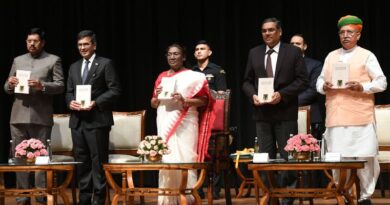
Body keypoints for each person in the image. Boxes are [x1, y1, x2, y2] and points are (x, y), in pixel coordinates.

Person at [316, 15, 387, 205]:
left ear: (358, 35)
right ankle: (345, 194)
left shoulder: (367, 55)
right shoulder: (331, 56)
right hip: (336, 116)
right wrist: (325, 86)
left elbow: (382, 82)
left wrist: (362, 87)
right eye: (342, 32)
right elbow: (319, 81)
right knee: (338, 159)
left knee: (365, 158)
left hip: (360, 116)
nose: (345, 36)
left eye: (350, 32)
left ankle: (365, 197)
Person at [242, 17, 308, 205]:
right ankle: (269, 196)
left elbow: (302, 80)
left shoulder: (293, 52)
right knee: (265, 157)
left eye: (271, 30)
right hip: (262, 114)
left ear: (280, 32)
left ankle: (287, 196)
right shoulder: (254, 53)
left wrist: (282, 94)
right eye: (264, 31)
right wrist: (252, 94)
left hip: (285, 112)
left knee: (288, 157)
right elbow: (246, 81)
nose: (267, 34)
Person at [4, 27, 64, 205]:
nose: (31, 44)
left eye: (35, 41)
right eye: (29, 41)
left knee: (41, 157)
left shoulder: (53, 60)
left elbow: (60, 85)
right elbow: (7, 88)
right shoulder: (18, 60)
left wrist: (42, 85)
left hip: (41, 116)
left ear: (42, 43)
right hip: (18, 116)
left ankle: (40, 195)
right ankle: (23, 195)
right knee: (19, 156)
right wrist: (9, 83)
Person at [151, 43, 214, 205]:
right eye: (169, 54)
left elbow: (204, 100)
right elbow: (153, 104)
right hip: (165, 119)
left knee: (185, 157)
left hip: (186, 121)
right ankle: (167, 199)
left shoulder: (194, 76)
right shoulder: (161, 77)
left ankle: (188, 198)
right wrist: (157, 96)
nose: (172, 57)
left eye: (176, 54)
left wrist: (184, 100)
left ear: (184, 57)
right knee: (167, 157)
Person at [66, 30, 121, 205]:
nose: (83, 48)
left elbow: (115, 90)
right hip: (77, 121)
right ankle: (84, 199)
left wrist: (96, 102)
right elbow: (68, 92)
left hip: (97, 121)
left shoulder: (105, 64)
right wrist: (70, 103)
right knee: (82, 163)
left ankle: (98, 199)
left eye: (86, 44)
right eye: (80, 45)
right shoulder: (74, 67)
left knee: (98, 163)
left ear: (94, 45)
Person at [193, 40, 227, 199]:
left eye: (202, 49)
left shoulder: (217, 70)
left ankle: (215, 188)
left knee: (214, 153)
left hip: (212, 114)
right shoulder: (190, 72)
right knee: (195, 151)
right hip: (194, 115)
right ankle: (197, 187)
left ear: (210, 52)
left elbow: (222, 96)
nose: (199, 51)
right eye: (197, 49)